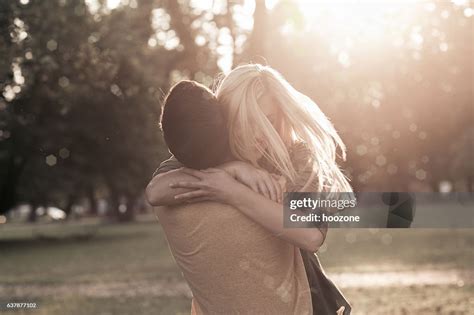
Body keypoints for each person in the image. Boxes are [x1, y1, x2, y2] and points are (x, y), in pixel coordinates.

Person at [148, 64, 353, 314]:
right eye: (248, 121)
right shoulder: (212, 150)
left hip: (306, 301)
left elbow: (309, 234)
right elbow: (156, 191)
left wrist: (231, 191)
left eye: (269, 120)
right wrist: (233, 170)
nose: (260, 134)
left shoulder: (298, 157)